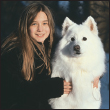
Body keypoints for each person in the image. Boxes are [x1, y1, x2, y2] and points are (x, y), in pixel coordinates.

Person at [1, 2, 99, 109]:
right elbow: (11, 92)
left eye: (44, 23)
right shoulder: (12, 52)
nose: (40, 29)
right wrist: (51, 87)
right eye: (34, 24)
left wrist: (95, 75)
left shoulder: (54, 46)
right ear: (25, 25)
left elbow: (84, 58)